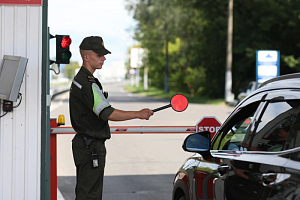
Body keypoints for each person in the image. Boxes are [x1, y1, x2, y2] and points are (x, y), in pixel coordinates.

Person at [69, 36, 154, 200]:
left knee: (86, 192)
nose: (104, 58)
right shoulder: (88, 83)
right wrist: (139, 114)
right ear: (86, 57)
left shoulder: (81, 80)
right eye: (99, 55)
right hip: (90, 148)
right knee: (90, 195)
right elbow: (108, 113)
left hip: (85, 145)